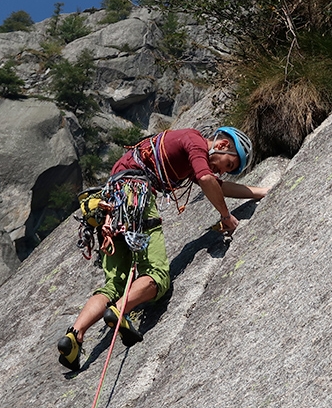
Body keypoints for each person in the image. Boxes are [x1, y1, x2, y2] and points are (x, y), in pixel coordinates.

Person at [57, 126, 268, 371]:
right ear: (221, 145)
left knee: (114, 284)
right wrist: (226, 216)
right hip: (136, 197)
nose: (222, 171)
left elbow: (217, 185)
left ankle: (75, 335)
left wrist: (261, 192)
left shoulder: (187, 150)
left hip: (111, 206)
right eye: (228, 165)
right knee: (156, 275)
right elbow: (207, 179)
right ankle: (119, 311)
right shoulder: (195, 141)